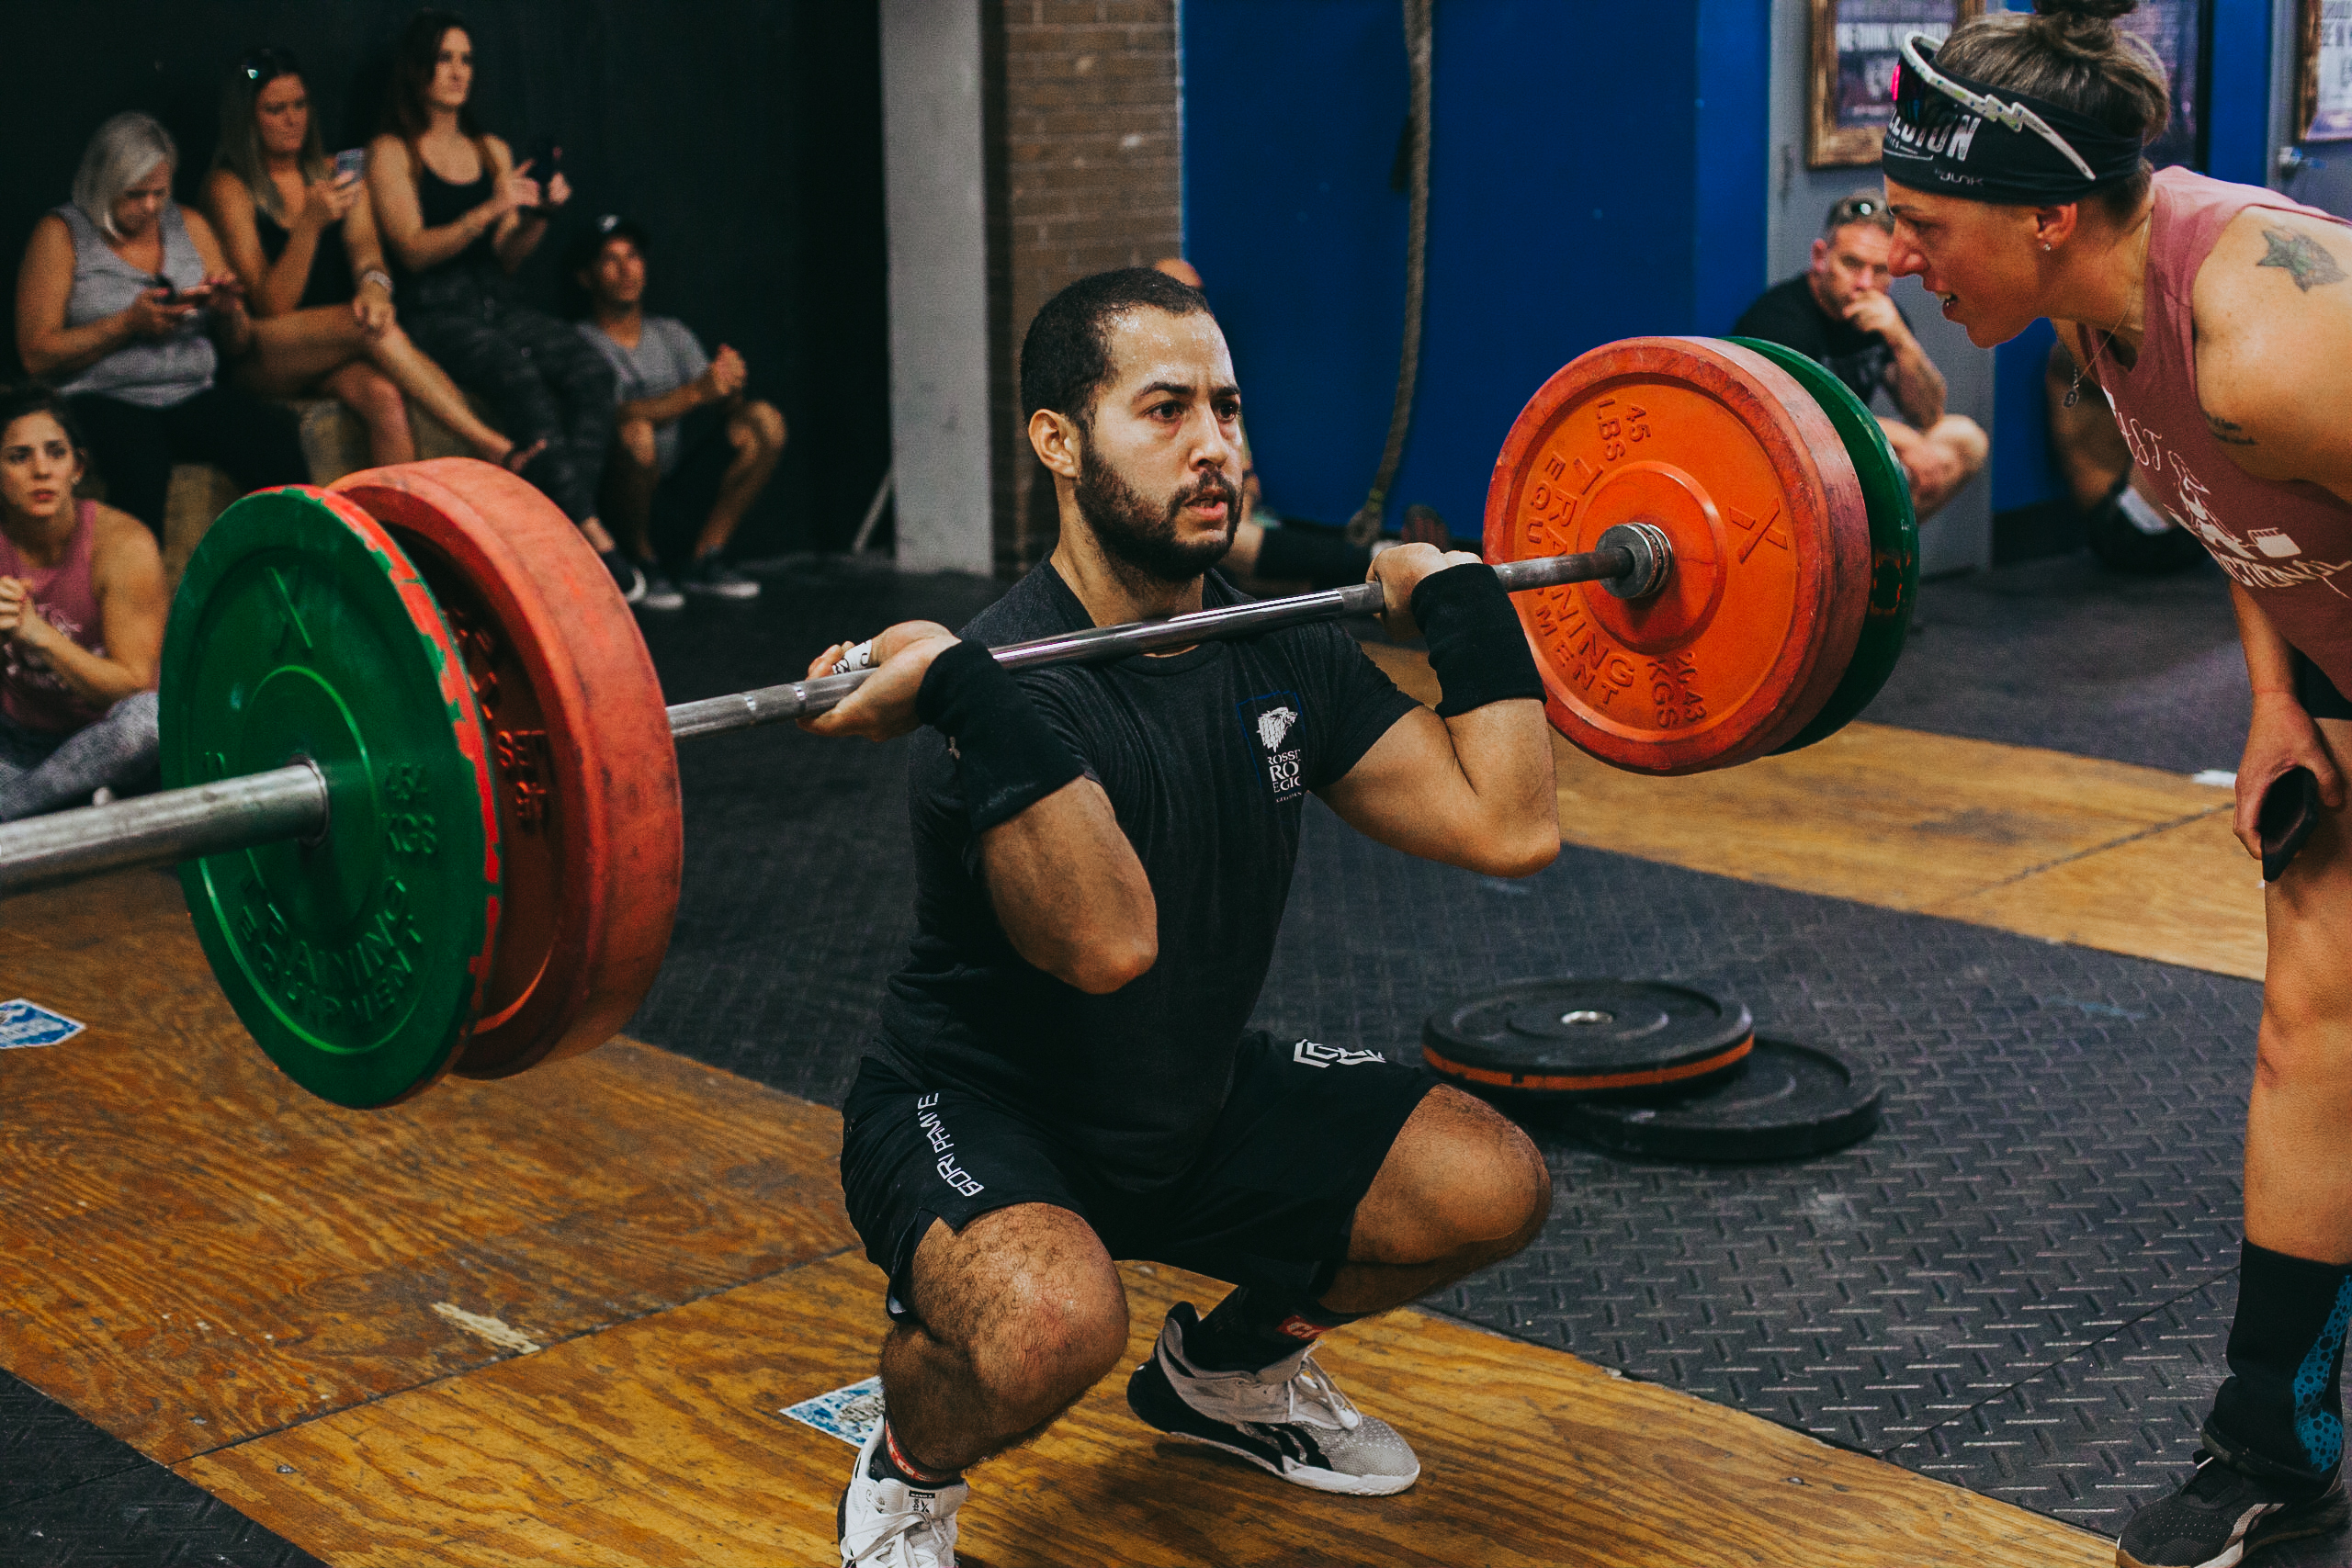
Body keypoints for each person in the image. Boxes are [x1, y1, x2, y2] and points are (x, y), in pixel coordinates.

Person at [808, 267, 1557, 1565]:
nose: (1215, 445)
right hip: (978, 1113)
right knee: (1050, 1322)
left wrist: (1463, 605)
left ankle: (1227, 1375)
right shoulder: (1008, 693)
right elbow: (1110, 943)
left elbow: (1508, 824)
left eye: (1227, 407)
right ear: (1059, 441)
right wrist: (966, 691)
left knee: (1493, 1183)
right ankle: (908, 1464)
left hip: (1188, 1103)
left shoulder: (1278, 643)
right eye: (1165, 410)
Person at [1878, 4, 2352, 1565]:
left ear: (2049, 216)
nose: (1904, 259)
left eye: (1928, 225)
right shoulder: (2093, 313)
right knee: (2314, 1035)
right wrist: (2275, 701)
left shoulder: (2273, 339)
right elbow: (2233, 510)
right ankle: (2275, 1447)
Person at [366, 10, 636, 600]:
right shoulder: (392, 150)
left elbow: (508, 255)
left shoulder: (490, 148)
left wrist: (538, 214)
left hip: (494, 297)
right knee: (517, 373)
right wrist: (487, 209)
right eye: (444, 58)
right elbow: (411, 250)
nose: (457, 71)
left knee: (591, 369)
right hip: (433, 310)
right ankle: (591, 537)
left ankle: (569, 524)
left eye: (466, 59)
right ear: (417, 69)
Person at [203, 47, 526, 470]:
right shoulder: (230, 187)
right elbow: (269, 305)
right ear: (247, 118)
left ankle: (394, 513)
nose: (292, 119)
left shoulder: (336, 169)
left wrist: (375, 287)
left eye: (300, 104)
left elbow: (367, 252)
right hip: (263, 351)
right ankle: (494, 447)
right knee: (365, 326)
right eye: (275, 109)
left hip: (331, 343)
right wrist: (308, 226)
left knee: (384, 397)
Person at [14, 112, 309, 538]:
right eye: (135, 195)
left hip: (189, 390)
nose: (151, 207)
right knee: (140, 466)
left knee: (273, 441)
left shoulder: (189, 224)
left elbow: (239, 344)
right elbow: (36, 354)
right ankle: (138, 578)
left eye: (160, 193)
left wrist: (227, 311)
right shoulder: (62, 233)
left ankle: (293, 562)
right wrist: (127, 324)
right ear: (103, 183)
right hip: (102, 396)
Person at [1142, 256, 1451, 590]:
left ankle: (1396, 572)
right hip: (1175, 522)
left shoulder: (1215, 382)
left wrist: (1236, 508)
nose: (1194, 308)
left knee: (1271, 568)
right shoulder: (1146, 389)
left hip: (1231, 515)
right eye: (1178, 296)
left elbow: (1246, 478)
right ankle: (1379, 558)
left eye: (1199, 297)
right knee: (1227, 540)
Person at [1733, 191, 1989, 522]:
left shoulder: (1881, 316)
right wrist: (1895, 437)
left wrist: (1901, 339)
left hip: (1845, 456)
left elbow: (1927, 415)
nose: (1865, 283)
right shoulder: (1780, 322)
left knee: (1965, 440)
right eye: (1851, 264)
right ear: (1820, 257)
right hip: (1776, 470)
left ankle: (1870, 550)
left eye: (1880, 270)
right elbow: (1793, 428)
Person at [572, 214, 780, 609]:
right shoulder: (580, 341)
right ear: (586, 277)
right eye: (610, 259)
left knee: (763, 421)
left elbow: (723, 405)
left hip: (677, 490)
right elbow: (614, 418)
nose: (626, 269)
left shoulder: (671, 333)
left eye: (633, 256)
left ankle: (705, 558)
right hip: (615, 497)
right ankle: (641, 562)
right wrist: (698, 391)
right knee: (636, 433)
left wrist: (729, 384)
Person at [0, 387, 164, 821]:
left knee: (147, 721)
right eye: (19, 457)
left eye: (56, 453)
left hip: (99, 743)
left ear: (78, 467)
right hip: (13, 746)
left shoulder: (122, 545)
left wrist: (39, 636)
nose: (41, 470)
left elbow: (132, 687)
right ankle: (67, 805)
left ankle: (16, 813)